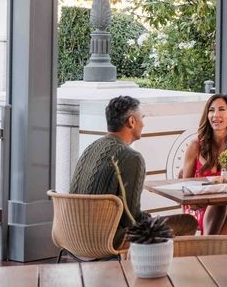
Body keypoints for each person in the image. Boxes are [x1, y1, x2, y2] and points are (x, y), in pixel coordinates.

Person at [68, 96, 195, 245]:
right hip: (106, 239)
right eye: (142, 118)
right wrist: (150, 218)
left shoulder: (91, 147)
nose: (144, 124)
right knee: (187, 223)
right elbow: (131, 219)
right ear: (132, 121)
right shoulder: (131, 157)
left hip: (72, 234)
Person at [180, 94, 227, 235]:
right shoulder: (196, 146)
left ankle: (211, 246)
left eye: (221, 109)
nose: (215, 115)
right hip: (202, 208)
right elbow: (186, 187)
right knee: (221, 206)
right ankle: (216, 248)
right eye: (211, 110)